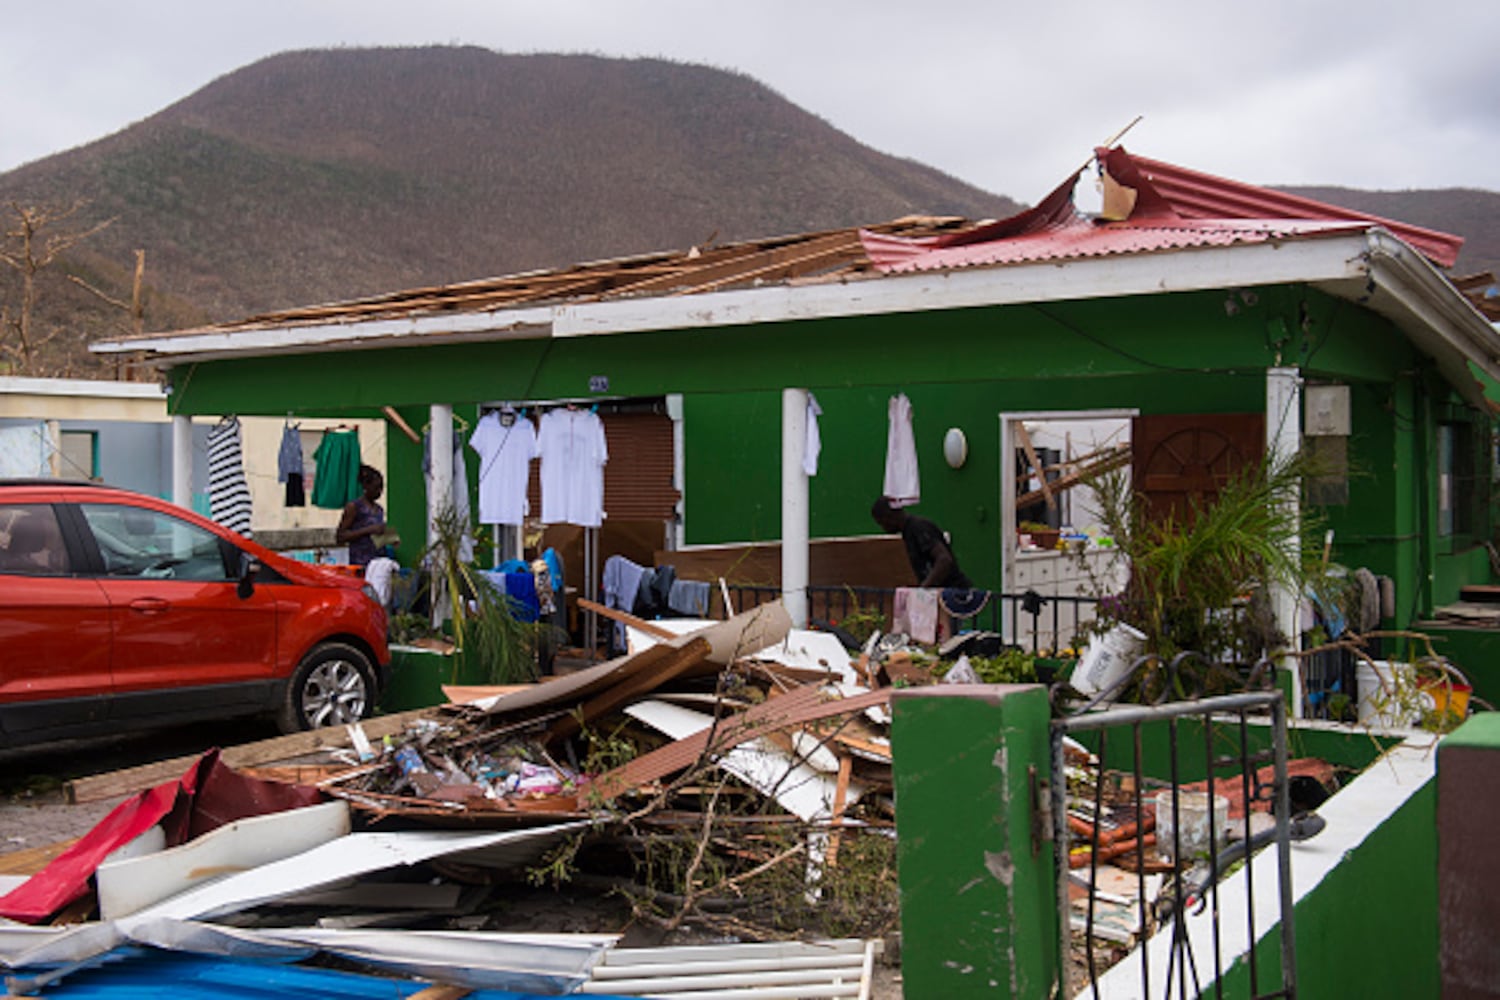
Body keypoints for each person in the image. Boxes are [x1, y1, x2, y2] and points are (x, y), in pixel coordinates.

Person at [871, 496, 972, 589]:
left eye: (881, 522)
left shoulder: (918, 528)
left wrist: (923, 589)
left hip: (954, 594)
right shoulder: (908, 531)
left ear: (889, 517)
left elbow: (944, 560)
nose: (883, 528)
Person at [336, 465, 388, 568]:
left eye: (381, 488)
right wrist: (368, 530)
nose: (379, 492)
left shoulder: (379, 509)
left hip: (378, 564)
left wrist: (388, 537)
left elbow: (376, 537)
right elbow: (340, 537)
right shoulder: (354, 507)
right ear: (366, 486)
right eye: (376, 488)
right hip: (360, 564)